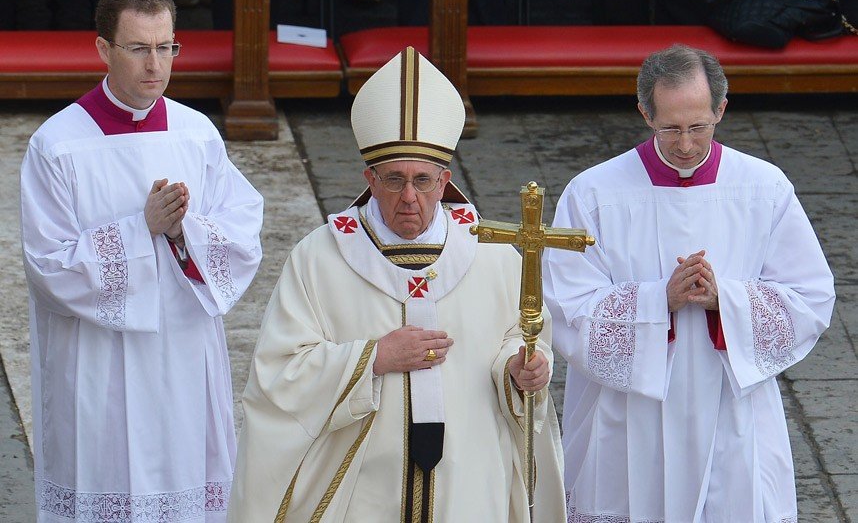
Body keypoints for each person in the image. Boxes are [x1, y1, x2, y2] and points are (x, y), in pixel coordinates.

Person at [227, 47, 566, 522]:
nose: (409, 197)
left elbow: (522, 337)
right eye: (393, 180)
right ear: (369, 177)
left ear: (445, 181)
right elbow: (278, 375)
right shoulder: (320, 257)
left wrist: (520, 370)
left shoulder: (490, 254)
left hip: (467, 475)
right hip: (363, 483)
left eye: (423, 180)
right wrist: (374, 358)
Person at [544, 43, 836, 522]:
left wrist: (726, 300)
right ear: (645, 113)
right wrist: (659, 299)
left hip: (731, 408)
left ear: (721, 109)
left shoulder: (764, 188)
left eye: (698, 127)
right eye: (670, 128)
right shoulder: (594, 192)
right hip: (630, 416)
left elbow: (810, 297)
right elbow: (565, 304)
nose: (684, 144)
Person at [20, 0, 263, 521]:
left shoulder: (197, 134)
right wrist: (141, 229)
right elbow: (48, 266)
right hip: (98, 363)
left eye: (165, 47)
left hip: (182, 354)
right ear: (103, 49)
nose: (155, 65)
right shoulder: (57, 144)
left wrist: (183, 232)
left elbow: (242, 233)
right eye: (137, 48)